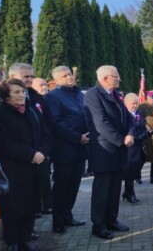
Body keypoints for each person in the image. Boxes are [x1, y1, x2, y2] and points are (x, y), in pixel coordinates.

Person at [0, 79, 48, 251]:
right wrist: (31, 154)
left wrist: (42, 153)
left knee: (31, 206)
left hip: (35, 168)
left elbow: (45, 135)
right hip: (13, 170)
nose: (21, 95)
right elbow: (4, 144)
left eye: (23, 91)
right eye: (16, 92)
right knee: (13, 209)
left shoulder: (31, 112)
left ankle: (25, 240)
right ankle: (12, 243)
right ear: (6, 96)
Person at [84, 65, 134, 240]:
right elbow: (100, 123)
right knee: (102, 191)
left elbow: (129, 118)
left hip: (119, 150)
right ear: (105, 78)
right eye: (116, 76)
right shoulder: (93, 95)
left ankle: (111, 220)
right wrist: (121, 140)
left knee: (114, 189)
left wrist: (130, 133)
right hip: (104, 151)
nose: (119, 79)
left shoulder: (116, 95)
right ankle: (98, 225)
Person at [44, 66, 88, 234]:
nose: (70, 77)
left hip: (81, 148)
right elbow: (56, 123)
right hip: (64, 149)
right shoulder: (52, 97)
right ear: (56, 80)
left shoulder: (78, 94)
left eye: (70, 74)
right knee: (61, 186)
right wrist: (77, 137)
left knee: (74, 185)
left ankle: (68, 216)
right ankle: (58, 221)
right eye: (65, 75)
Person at [9, 63, 52, 216]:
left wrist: (44, 150)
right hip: (20, 157)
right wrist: (29, 153)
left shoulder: (35, 96)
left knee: (38, 190)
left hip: (39, 154)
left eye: (31, 76)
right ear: (13, 78)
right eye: (25, 76)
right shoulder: (3, 101)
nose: (29, 80)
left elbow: (46, 124)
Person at [122, 93, 147, 204]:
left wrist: (143, 135)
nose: (135, 105)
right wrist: (135, 137)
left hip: (139, 146)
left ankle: (127, 192)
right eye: (133, 103)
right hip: (129, 148)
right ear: (126, 103)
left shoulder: (139, 113)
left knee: (135, 170)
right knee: (130, 172)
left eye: (137, 103)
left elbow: (143, 127)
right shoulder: (123, 114)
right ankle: (130, 193)